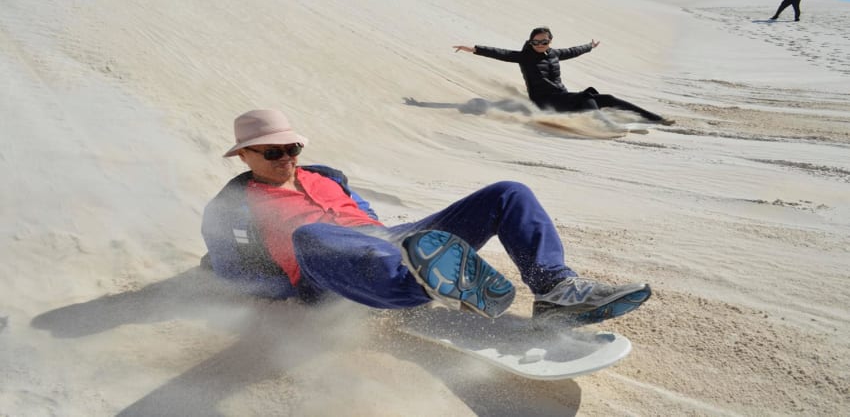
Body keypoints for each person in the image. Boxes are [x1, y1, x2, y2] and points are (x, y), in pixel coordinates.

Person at [201, 109, 652, 325]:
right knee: (313, 234)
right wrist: (277, 295)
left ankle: (556, 290)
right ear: (243, 155)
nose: (287, 157)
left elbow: (364, 213)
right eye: (273, 151)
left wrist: (389, 236)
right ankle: (419, 281)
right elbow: (233, 264)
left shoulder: (325, 175)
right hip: (324, 276)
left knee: (507, 194)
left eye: (292, 147)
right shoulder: (233, 206)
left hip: (384, 241)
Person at [453, 27, 675, 125]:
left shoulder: (555, 54)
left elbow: (574, 51)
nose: (540, 45)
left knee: (606, 98)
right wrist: (473, 48)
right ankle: (601, 123)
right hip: (545, 102)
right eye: (536, 41)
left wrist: (590, 46)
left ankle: (656, 118)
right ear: (530, 42)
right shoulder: (524, 57)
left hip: (563, 97)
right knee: (587, 96)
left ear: (550, 41)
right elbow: (499, 53)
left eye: (545, 41)